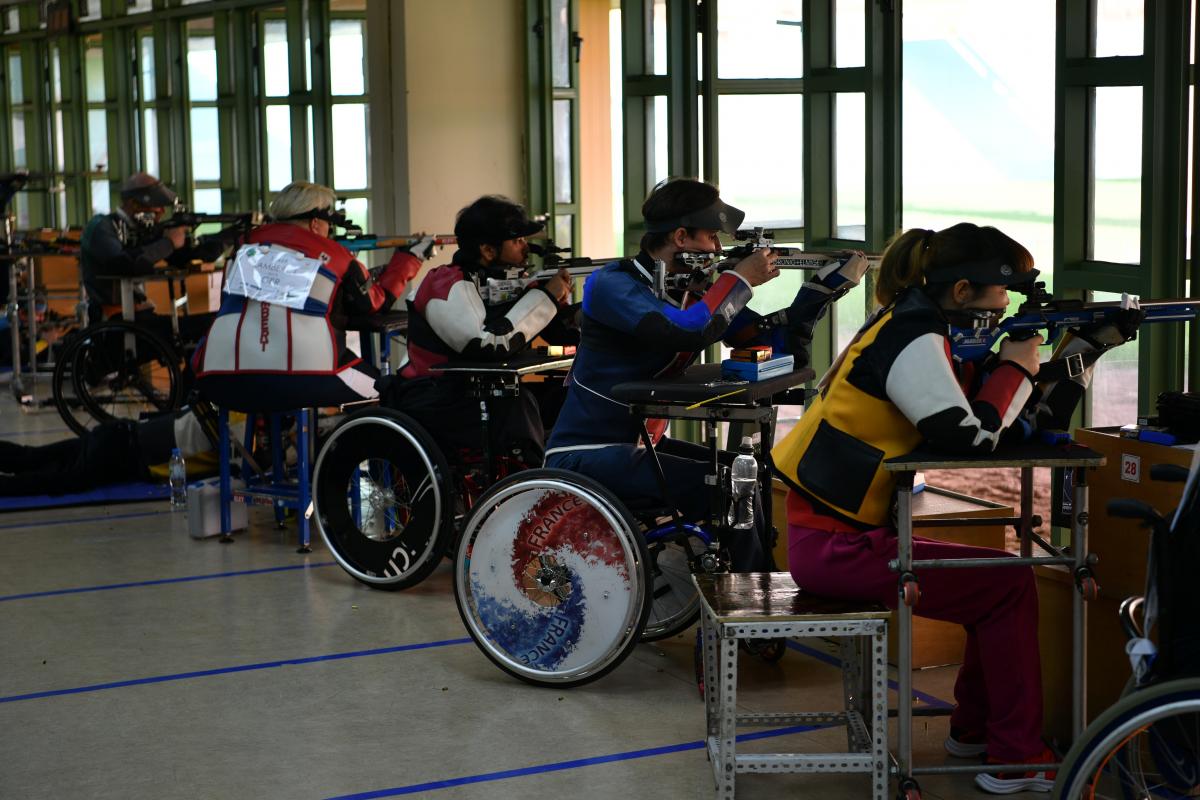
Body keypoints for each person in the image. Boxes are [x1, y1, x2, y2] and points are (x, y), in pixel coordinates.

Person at [771, 222, 1142, 794]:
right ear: (962, 291)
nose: (1005, 310)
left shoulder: (917, 325)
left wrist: (1083, 349)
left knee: (1000, 584)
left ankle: (977, 733)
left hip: (838, 536)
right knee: (1006, 587)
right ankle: (1015, 757)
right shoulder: (915, 337)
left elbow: (1026, 425)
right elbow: (969, 438)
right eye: (1000, 298)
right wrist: (1016, 362)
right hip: (833, 547)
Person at [544, 177, 868, 572]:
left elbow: (770, 344)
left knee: (745, 472)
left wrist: (820, 291)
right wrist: (740, 279)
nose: (718, 249)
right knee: (732, 485)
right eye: (712, 237)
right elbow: (685, 329)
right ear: (681, 237)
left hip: (641, 443)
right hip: (584, 454)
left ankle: (753, 582)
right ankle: (747, 599)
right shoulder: (611, 284)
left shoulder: (692, 292)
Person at [192, 181, 427, 411]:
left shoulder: (242, 247)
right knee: (386, 392)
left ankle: (270, 438)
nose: (330, 231)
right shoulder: (337, 255)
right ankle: (338, 448)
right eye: (329, 224)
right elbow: (376, 303)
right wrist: (409, 259)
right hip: (307, 378)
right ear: (316, 223)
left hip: (221, 377)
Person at [383, 194, 577, 467]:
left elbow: (557, 331)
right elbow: (490, 345)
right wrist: (546, 298)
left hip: (474, 391)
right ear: (487, 250)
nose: (526, 247)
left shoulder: (506, 280)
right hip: (434, 396)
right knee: (516, 407)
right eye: (517, 240)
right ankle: (533, 489)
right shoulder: (445, 285)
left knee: (564, 392)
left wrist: (580, 312)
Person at [79, 172, 229, 344]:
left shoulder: (142, 230)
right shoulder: (101, 227)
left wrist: (231, 235)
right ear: (133, 203)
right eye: (157, 206)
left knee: (214, 321)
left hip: (138, 315)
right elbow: (125, 264)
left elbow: (188, 256)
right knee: (205, 325)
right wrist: (169, 243)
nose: (162, 212)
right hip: (116, 322)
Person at [0, 405, 229, 497]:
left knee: (32, 456)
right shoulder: (228, 438)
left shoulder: (216, 405)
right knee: (51, 481)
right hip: (122, 455)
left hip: (119, 432)